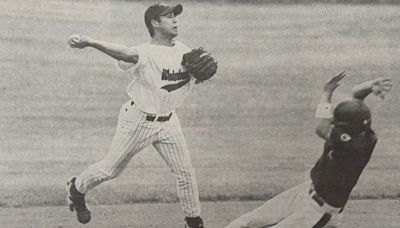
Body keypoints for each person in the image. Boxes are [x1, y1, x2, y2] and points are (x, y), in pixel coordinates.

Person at [66, 3, 210, 228]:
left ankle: (194, 222)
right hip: (138, 121)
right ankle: (76, 189)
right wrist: (91, 42)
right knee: (109, 170)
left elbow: (194, 69)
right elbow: (124, 52)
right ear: (155, 23)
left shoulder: (183, 49)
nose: (175, 20)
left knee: (185, 172)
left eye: (175, 16)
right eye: (169, 16)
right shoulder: (145, 53)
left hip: (169, 121)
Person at [224, 72, 393, 228]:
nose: (332, 119)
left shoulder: (351, 146)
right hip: (306, 192)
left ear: (346, 128)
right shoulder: (362, 130)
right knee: (247, 221)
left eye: (336, 120)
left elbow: (320, 127)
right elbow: (356, 96)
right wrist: (371, 85)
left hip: (317, 213)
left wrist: (327, 93)